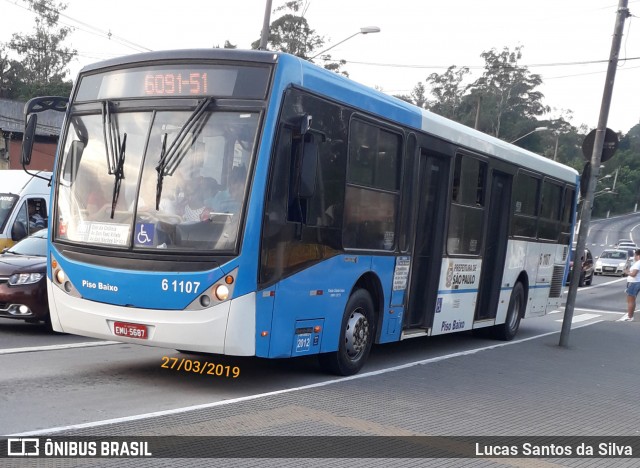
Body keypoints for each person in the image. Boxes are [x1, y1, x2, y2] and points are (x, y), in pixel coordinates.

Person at [619, 248, 640, 322]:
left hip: (634, 283)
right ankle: (630, 316)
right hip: (636, 282)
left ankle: (629, 316)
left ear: (638, 255)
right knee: (632, 300)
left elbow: (634, 274)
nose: (634, 257)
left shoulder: (638, 263)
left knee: (630, 300)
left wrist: (626, 272)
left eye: (635, 255)